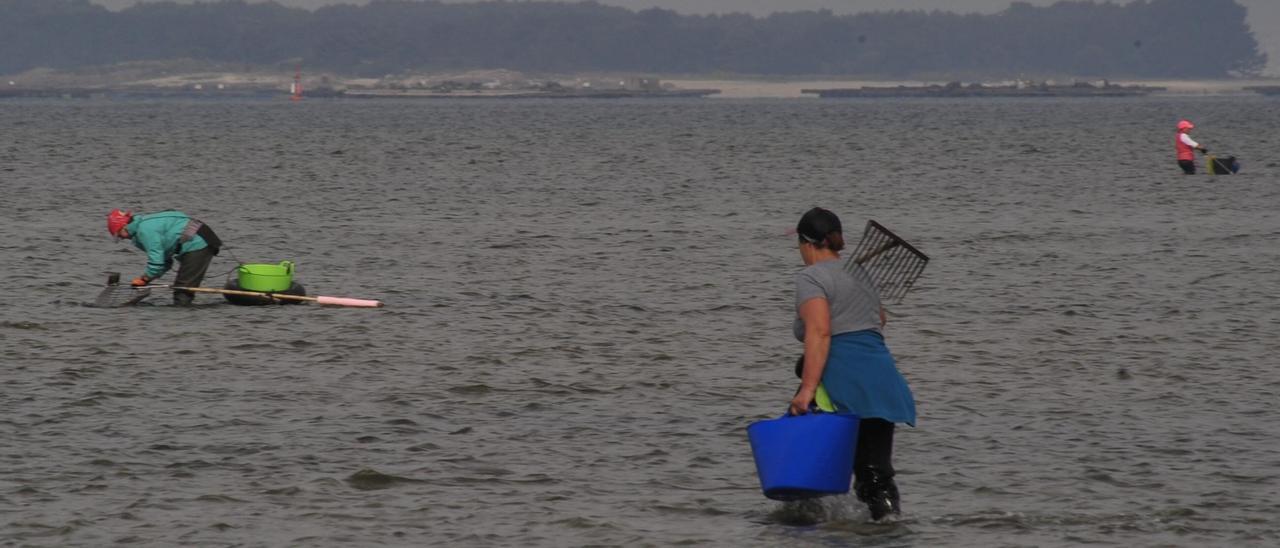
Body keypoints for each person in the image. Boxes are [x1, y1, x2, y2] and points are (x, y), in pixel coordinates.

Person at [788, 207, 916, 521]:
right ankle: (884, 530)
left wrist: (806, 390)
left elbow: (819, 331)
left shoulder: (810, 277)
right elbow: (879, 319)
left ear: (807, 243)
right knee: (875, 470)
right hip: (882, 379)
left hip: (850, 384)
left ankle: (885, 531)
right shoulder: (860, 275)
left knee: (865, 473)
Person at [107, 209, 222, 305]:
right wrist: (147, 279)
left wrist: (144, 279)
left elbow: (156, 262)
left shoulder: (144, 231)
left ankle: (184, 320)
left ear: (124, 226)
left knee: (182, 291)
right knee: (181, 288)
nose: (121, 238)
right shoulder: (142, 226)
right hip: (199, 238)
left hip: (198, 243)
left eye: (119, 234)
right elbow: (164, 261)